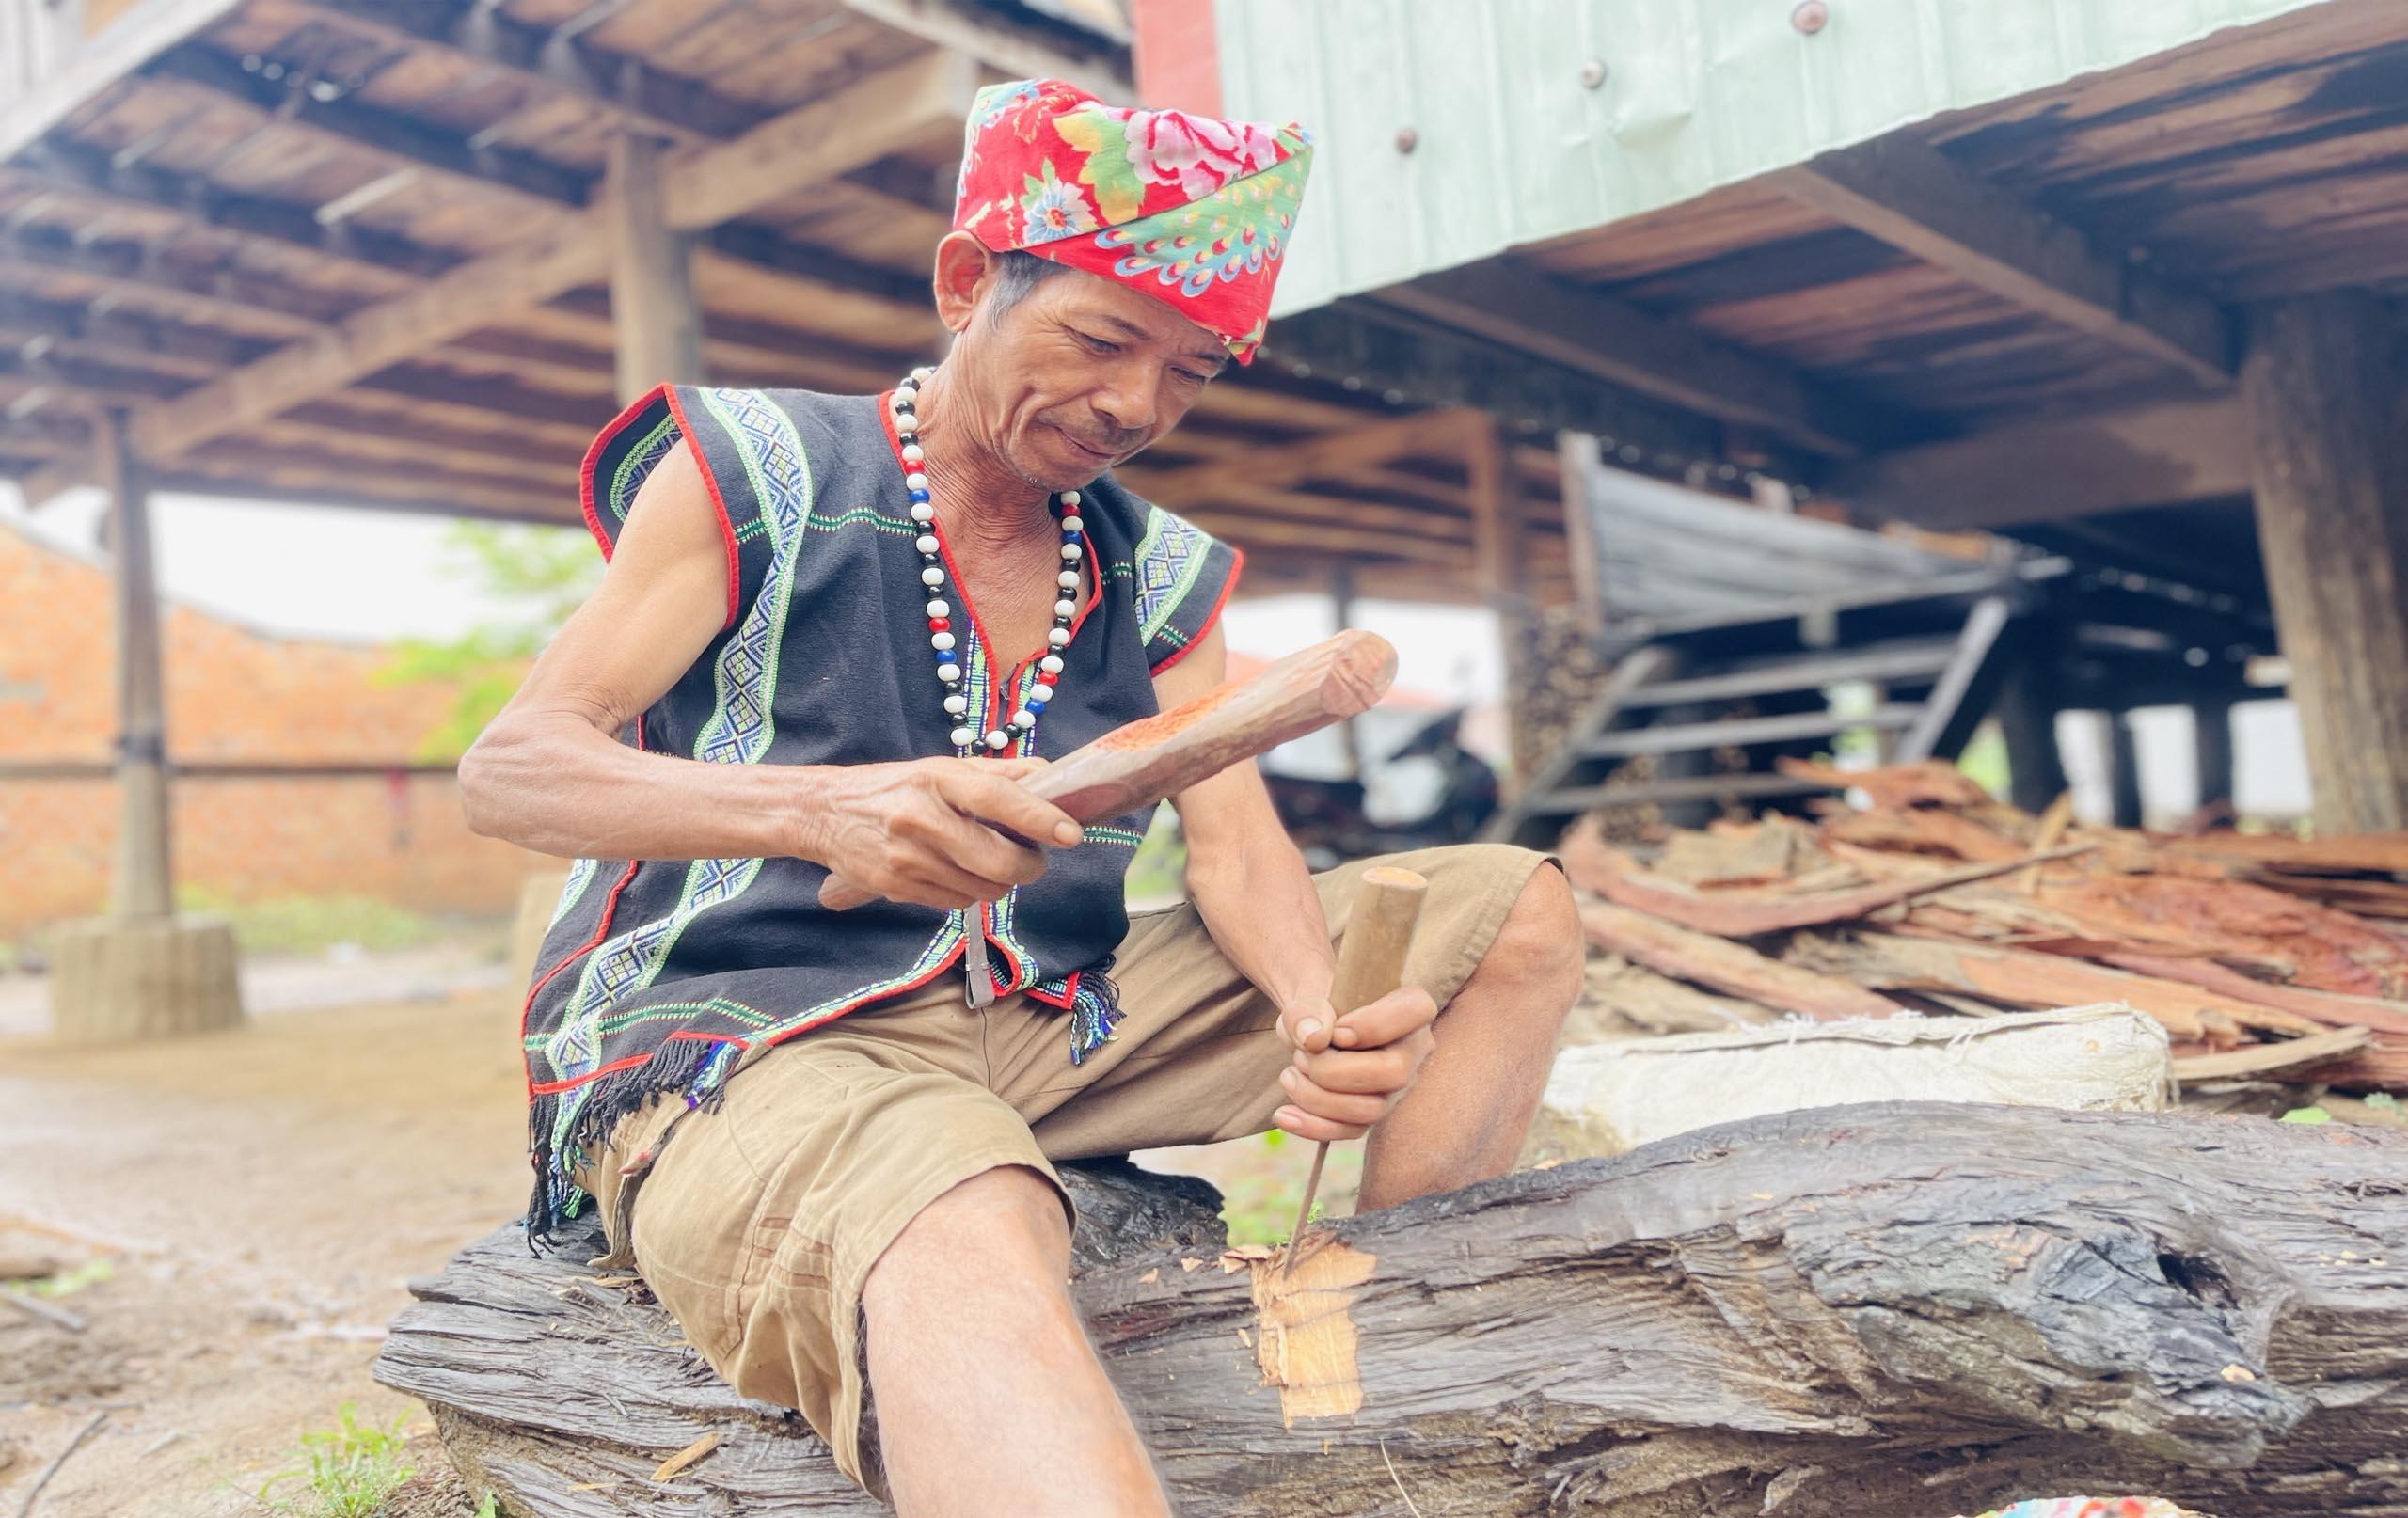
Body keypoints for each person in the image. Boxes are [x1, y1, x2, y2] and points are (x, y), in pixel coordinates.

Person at [460, 77, 1583, 1516]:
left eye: (1189, 373)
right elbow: (512, 768)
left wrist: (1322, 1017)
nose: (1135, 405)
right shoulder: (760, 471)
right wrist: (819, 815)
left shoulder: (1156, 568)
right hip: (756, 1029)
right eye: (1104, 338)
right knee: (968, 1206)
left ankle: (1392, 1340)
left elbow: (1237, 849)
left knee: (1514, 910)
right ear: (966, 282)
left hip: (1058, 1022)